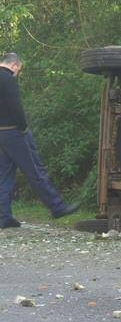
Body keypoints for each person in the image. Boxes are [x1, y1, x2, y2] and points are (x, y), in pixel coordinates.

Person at [0, 52, 79, 228]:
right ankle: (57, 207)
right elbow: (15, 106)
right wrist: (23, 127)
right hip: (14, 132)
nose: (17, 72)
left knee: (4, 176)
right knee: (35, 171)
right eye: (18, 69)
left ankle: (3, 217)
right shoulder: (8, 79)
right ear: (14, 65)